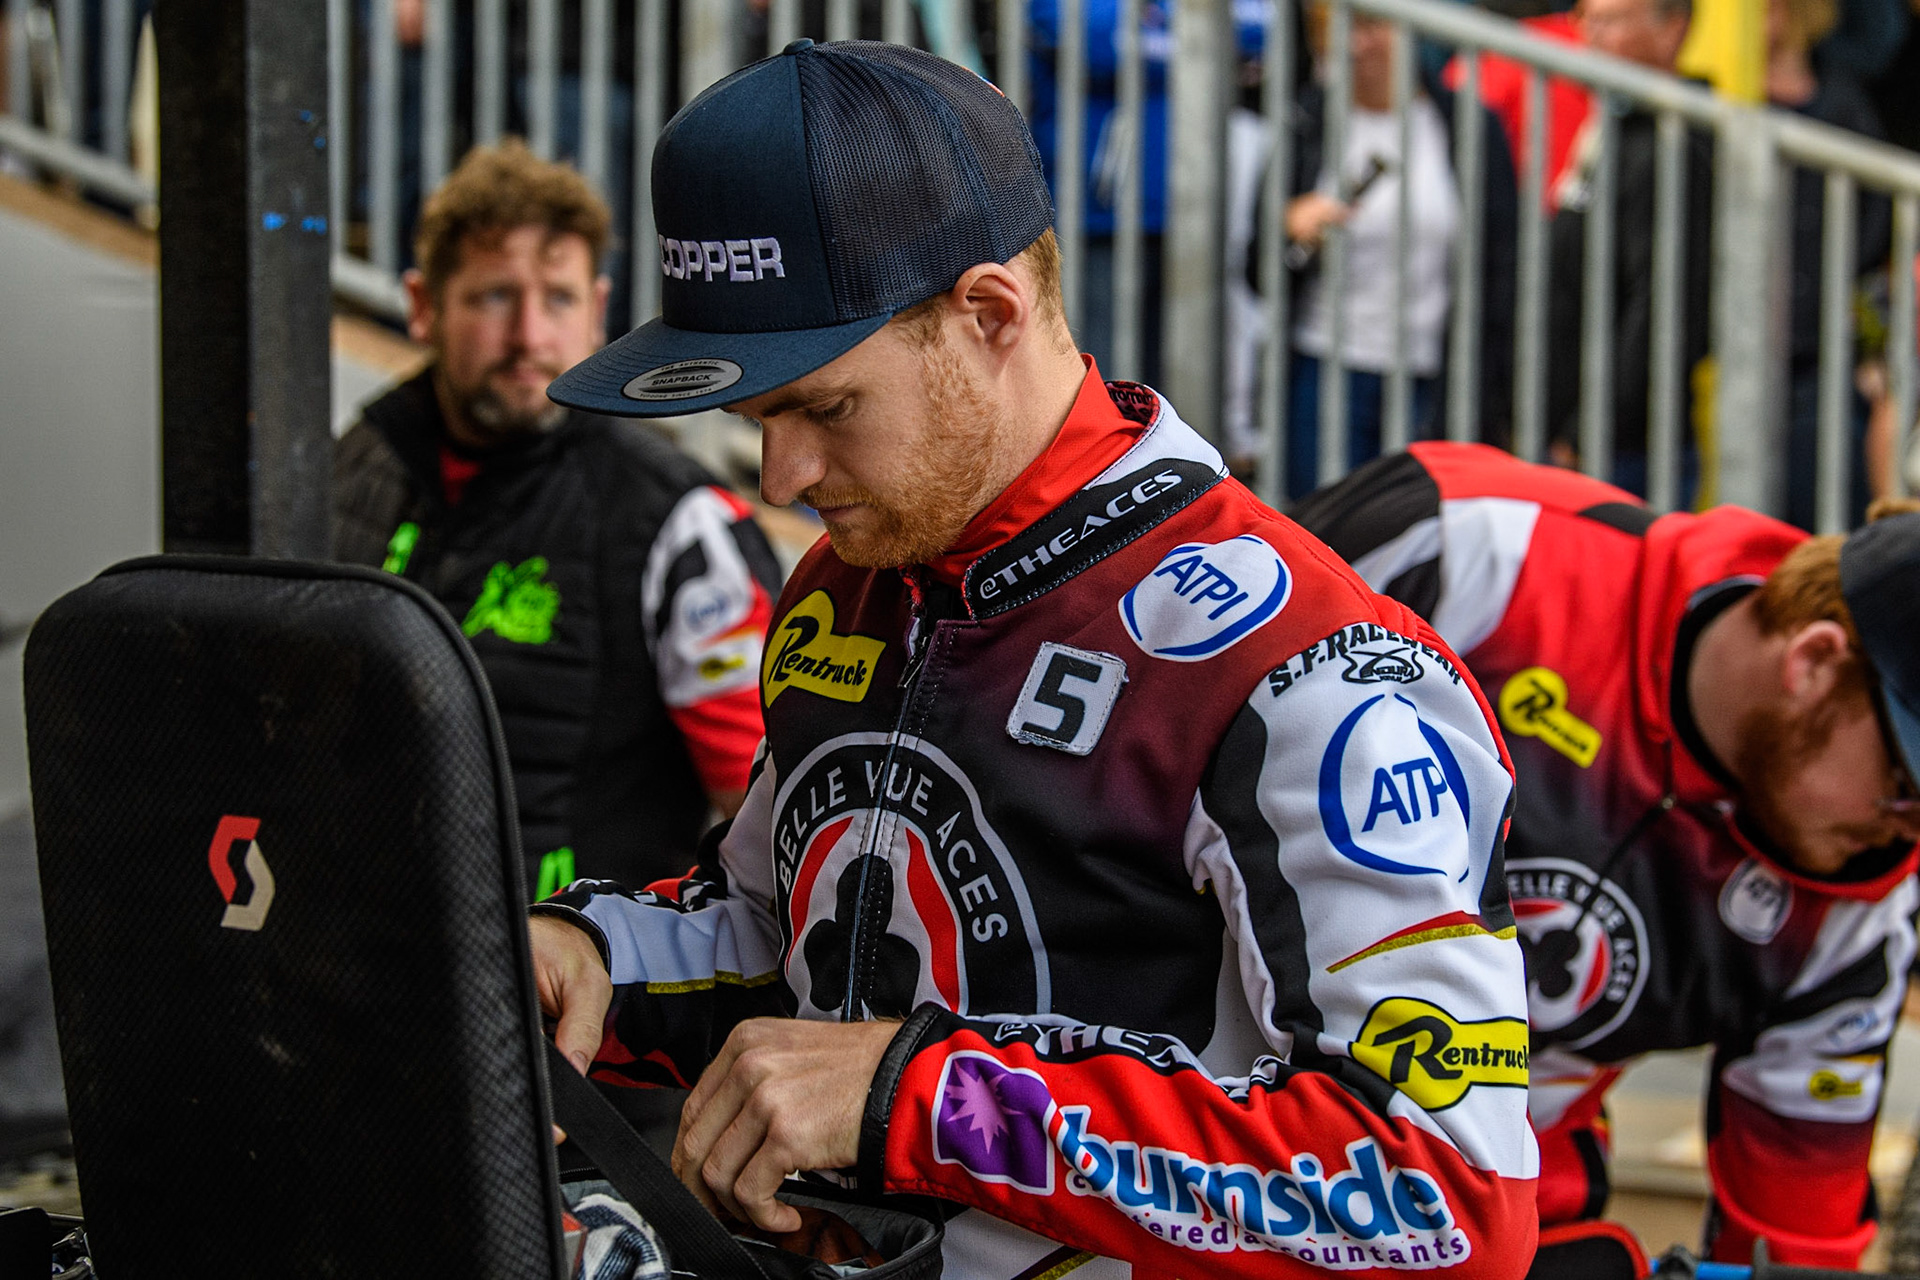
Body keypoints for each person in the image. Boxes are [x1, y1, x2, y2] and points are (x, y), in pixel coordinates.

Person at [529, 38, 1538, 1278]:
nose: (781, 478)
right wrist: (591, 957)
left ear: (991, 311)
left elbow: (1445, 1195)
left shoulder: (1309, 670)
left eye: (827, 408)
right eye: (754, 422)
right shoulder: (856, 577)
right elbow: (780, 934)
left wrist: (925, 1103)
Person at [1291, 442, 1920, 1267]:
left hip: (1504, 1210)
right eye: (1907, 787)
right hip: (1222, 1141)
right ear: (1813, 663)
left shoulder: (1858, 909)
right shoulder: (1472, 547)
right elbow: (1152, 755)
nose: (1908, 837)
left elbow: (1797, 1235)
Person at [332, 140, 781, 897]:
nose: (530, 337)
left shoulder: (679, 522)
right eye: (493, 296)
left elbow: (767, 831)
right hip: (358, 969)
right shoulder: (346, 470)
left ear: (598, 310)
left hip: (576, 996)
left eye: (560, 299)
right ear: (421, 306)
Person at [1271, 1, 1518, 499]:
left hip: (1432, 376)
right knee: (1319, 535)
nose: (1355, 44)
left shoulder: (1467, 124)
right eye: (1334, 30)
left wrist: (1495, 389)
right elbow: (1258, 266)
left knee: (1412, 546)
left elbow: (1504, 266)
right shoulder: (1307, 118)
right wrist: (1288, 227)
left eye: (1369, 25)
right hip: (1325, 368)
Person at [1543, 0, 1715, 502]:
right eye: (1586, 19)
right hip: (1577, 437)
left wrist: (1584, 433)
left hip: (1622, 454)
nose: (1591, 36)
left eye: (1611, 21)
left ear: (1672, 31)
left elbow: (1665, 310)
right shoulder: (1610, 125)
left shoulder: (1676, 144)